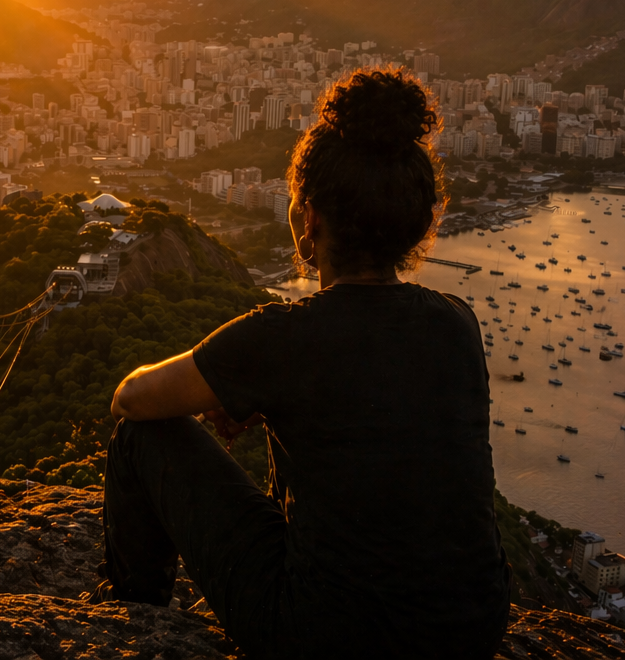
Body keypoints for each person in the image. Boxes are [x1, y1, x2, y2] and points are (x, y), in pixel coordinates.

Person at [103, 67, 509, 658]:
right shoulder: (457, 322)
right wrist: (262, 396)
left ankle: (136, 624)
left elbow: (132, 398)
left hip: (321, 636)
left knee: (140, 438)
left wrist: (238, 387)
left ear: (309, 219)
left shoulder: (284, 336)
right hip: (472, 630)